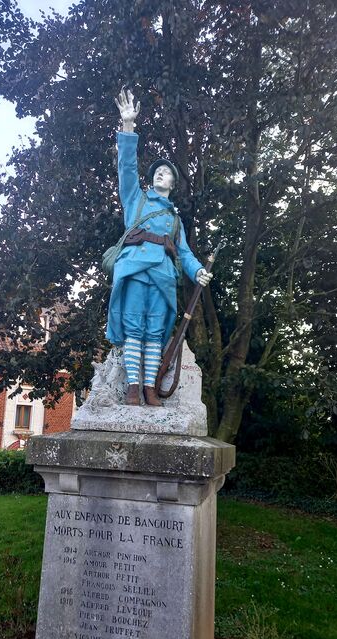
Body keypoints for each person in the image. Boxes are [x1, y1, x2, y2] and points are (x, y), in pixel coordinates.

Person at [106, 89, 212, 407]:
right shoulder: (136, 200)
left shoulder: (175, 220)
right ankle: (133, 387)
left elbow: (185, 253)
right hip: (136, 271)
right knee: (133, 329)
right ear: (152, 179)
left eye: (167, 173)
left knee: (156, 334)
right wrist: (128, 127)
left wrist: (198, 272)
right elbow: (126, 168)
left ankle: (151, 387)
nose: (161, 174)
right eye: (157, 172)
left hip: (164, 277)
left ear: (173, 184)